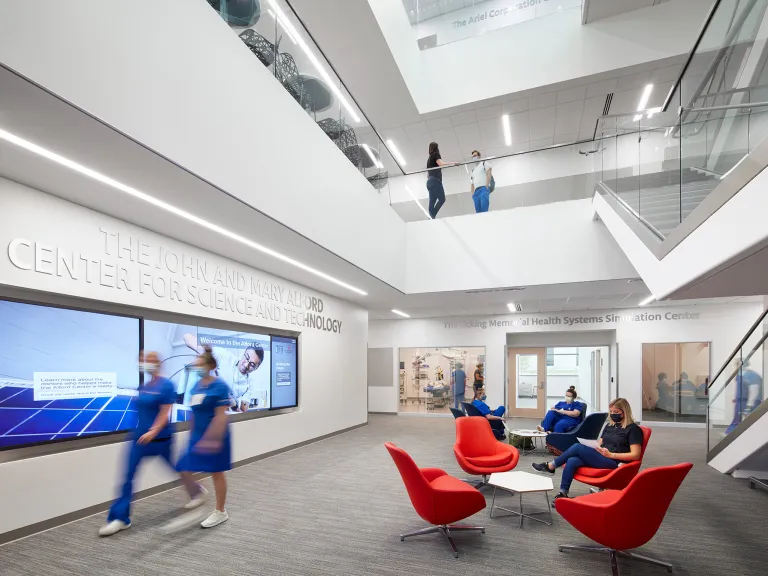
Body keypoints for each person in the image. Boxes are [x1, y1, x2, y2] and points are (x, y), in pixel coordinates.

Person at [99, 351, 204, 537]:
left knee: (176, 468)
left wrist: (154, 431)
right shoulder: (144, 387)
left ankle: (196, 491)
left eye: (149, 360)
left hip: (161, 439)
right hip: (139, 439)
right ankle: (120, 518)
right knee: (128, 475)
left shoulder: (166, 386)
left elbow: (165, 413)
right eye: (143, 361)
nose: (145, 363)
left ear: (158, 363)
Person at [532, 398, 642, 503]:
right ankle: (563, 493)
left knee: (577, 447)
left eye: (616, 412)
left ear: (624, 412)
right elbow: (600, 442)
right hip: (602, 456)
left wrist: (611, 454)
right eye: (611, 411)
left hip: (615, 462)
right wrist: (594, 447)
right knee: (572, 460)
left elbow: (635, 455)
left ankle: (551, 466)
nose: (613, 414)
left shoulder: (633, 429)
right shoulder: (610, 426)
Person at [177, 346, 232, 528]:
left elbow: (221, 416)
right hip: (197, 435)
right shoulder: (195, 386)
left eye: (200, 363)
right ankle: (198, 492)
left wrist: (212, 439)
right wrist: (192, 436)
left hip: (217, 436)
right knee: (183, 466)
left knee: (216, 473)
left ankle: (220, 511)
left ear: (210, 366)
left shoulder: (220, 386)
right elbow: (194, 412)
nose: (197, 366)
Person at [184, 333, 264, 412]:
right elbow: (187, 337)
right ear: (244, 352)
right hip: (201, 406)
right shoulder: (223, 356)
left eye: (252, 365)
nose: (246, 365)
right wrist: (205, 354)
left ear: (256, 368)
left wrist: (233, 404)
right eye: (246, 357)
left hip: (221, 413)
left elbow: (242, 411)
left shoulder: (249, 384)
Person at [727, 358, 763, 434]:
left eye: (737, 363)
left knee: (753, 422)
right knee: (737, 420)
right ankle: (731, 436)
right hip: (741, 401)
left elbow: (754, 391)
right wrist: (736, 398)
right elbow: (741, 388)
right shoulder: (740, 375)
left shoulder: (751, 375)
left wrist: (749, 406)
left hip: (750, 402)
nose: (736, 365)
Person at [425, 142, 458, 219]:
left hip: (429, 182)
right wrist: (453, 163)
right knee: (442, 199)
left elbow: (427, 175)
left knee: (432, 200)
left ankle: (431, 216)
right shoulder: (436, 154)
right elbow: (441, 164)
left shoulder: (429, 159)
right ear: (436, 148)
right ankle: (432, 216)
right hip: (436, 181)